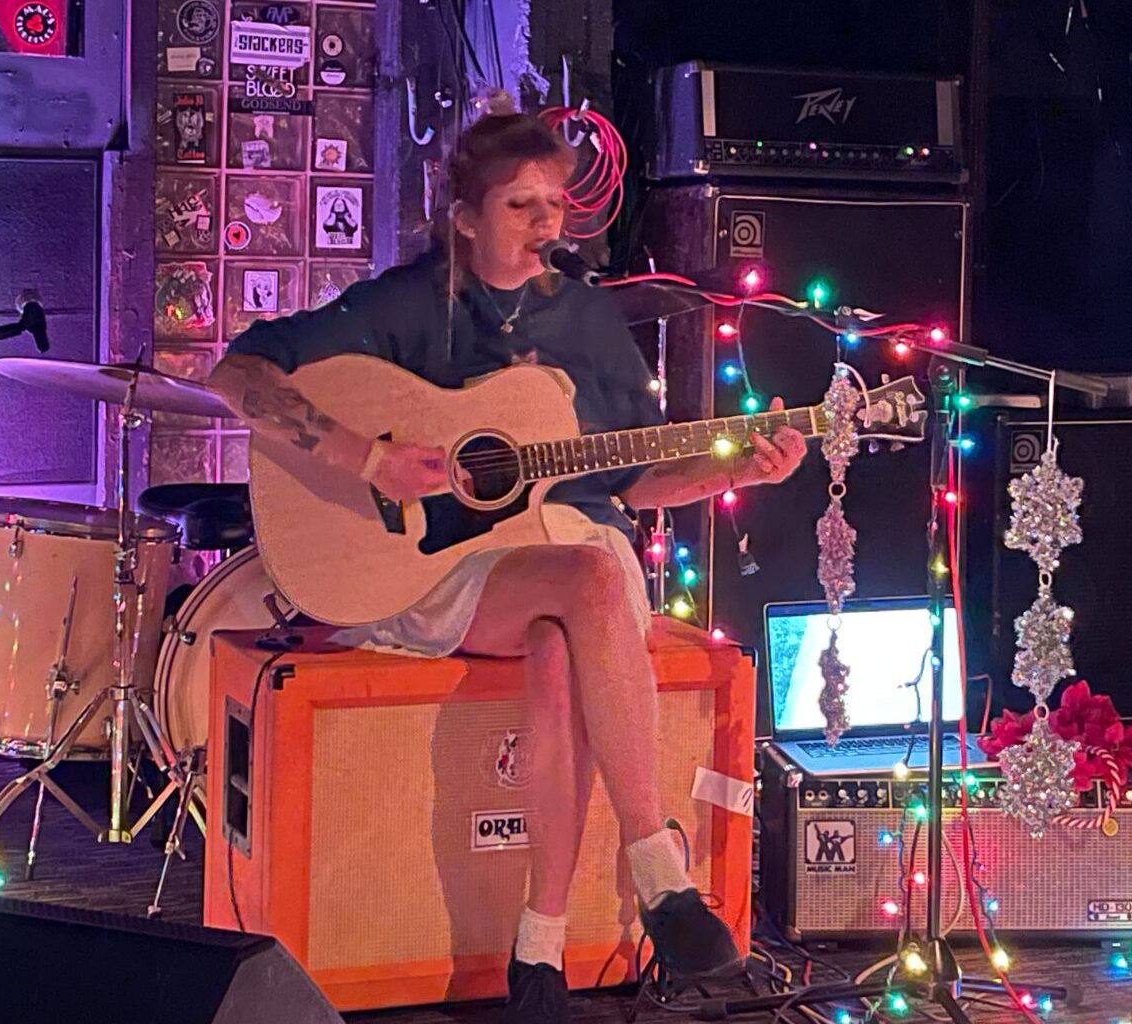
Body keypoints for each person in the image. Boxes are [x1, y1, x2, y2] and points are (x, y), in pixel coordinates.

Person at [206, 100, 808, 1023]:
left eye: (556, 204)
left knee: (567, 643)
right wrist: (364, 456)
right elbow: (239, 374)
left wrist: (744, 465)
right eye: (521, 205)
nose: (546, 224)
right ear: (465, 216)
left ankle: (537, 952)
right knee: (598, 582)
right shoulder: (409, 303)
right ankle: (659, 870)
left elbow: (637, 481)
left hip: (555, 564)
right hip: (426, 570)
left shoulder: (590, 324)